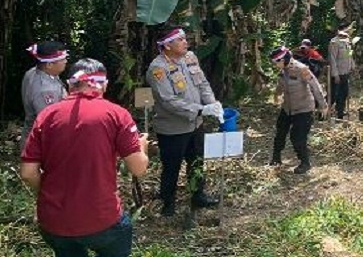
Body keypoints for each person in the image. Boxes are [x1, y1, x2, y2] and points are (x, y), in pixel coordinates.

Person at [20, 59, 149, 257]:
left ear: (70, 85)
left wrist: (45, 194)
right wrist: (142, 147)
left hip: (55, 221)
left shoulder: (46, 116)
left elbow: (28, 173)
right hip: (102, 219)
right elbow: (138, 168)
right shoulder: (117, 114)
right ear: (103, 84)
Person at [146, 26, 223, 217]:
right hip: (173, 128)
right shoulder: (158, 69)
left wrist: (212, 104)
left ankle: (198, 195)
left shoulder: (190, 58)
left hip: (195, 124)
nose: (185, 42)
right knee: (171, 166)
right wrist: (200, 109)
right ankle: (168, 202)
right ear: (167, 45)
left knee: (196, 161)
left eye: (184, 39)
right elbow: (168, 100)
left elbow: (203, 83)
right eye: (180, 40)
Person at [269, 46, 328, 174]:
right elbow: (280, 85)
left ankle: (305, 162)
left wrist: (323, 105)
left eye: (276, 62)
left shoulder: (301, 69)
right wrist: (276, 95)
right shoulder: (282, 70)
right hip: (287, 108)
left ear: (284, 59)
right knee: (280, 132)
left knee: (297, 137)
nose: (275, 65)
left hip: (303, 109)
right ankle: (276, 157)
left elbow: (315, 86)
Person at [20, 41, 68, 149]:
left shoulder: (33, 72)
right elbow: (49, 123)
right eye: (62, 59)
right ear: (49, 65)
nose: (65, 61)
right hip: (41, 144)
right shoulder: (45, 90)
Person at [328, 23, 355, 119]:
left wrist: (353, 66)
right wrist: (335, 75)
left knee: (344, 93)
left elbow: (349, 55)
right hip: (338, 73)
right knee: (333, 94)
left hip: (345, 72)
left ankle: (340, 112)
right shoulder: (334, 42)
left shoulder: (347, 41)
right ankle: (324, 112)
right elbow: (332, 59)